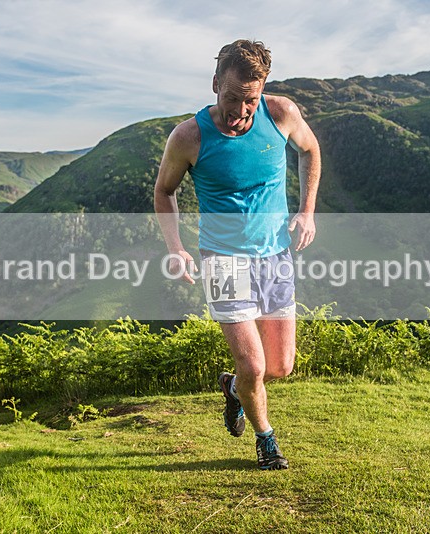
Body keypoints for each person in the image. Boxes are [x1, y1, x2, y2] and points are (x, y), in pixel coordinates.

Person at [154, 39, 321, 469]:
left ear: (261, 91)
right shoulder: (189, 136)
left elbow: (310, 150)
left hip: (276, 258)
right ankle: (267, 441)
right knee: (252, 363)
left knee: (279, 367)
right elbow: (164, 191)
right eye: (231, 98)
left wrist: (306, 212)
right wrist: (176, 248)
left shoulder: (280, 113)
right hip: (223, 260)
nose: (240, 111)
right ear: (214, 85)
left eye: (249, 100)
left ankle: (233, 389)